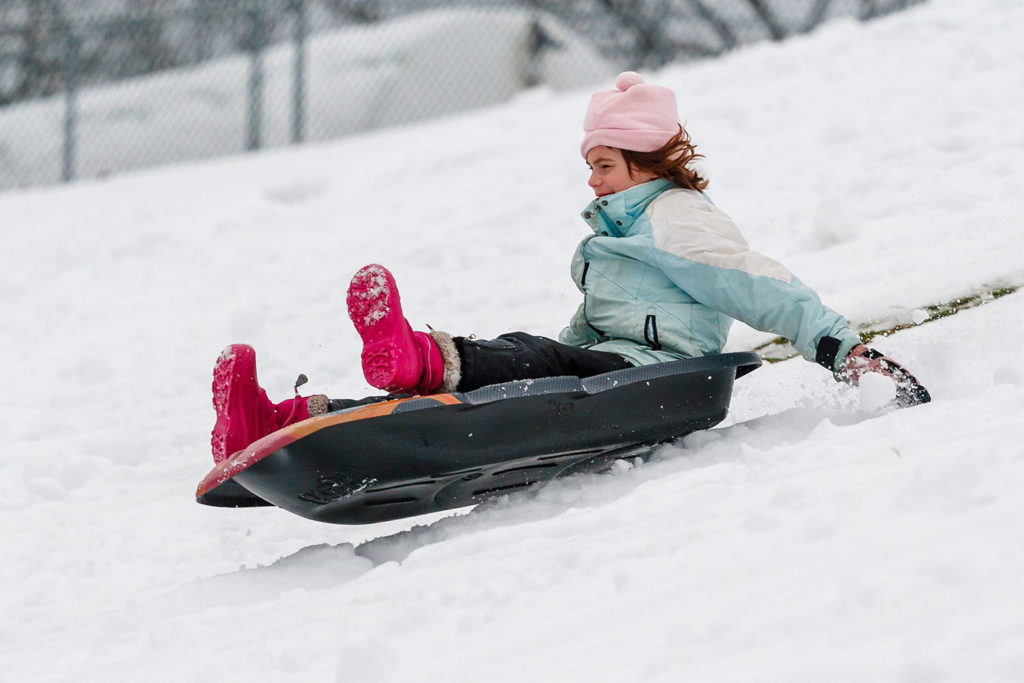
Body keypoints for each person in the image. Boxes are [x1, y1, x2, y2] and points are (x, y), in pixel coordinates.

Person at [210, 71, 928, 464]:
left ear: (646, 164)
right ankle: (279, 422)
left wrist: (845, 350)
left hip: (659, 376)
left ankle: (416, 356)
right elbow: (581, 333)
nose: (592, 182)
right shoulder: (613, 235)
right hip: (608, 365)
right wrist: (534, 382)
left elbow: (759, 286)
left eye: (604, 166)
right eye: (591, 166)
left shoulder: (676, 218)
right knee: (502, 370)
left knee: (521, 355)